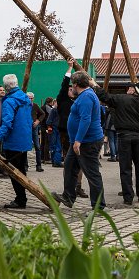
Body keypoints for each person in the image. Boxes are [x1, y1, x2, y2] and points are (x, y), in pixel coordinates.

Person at [51, 71, 105, 210]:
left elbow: (85, 119)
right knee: (69, 167)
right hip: (79, 141)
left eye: (72, 85)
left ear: (75, 85)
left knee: (92, 173)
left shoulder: (86, 97)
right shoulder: (84, 95)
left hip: (87, 142)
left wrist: (78, 140)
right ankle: (68, 197)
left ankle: (98, 206)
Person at [96, 81, 139, 206]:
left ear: (133, 90)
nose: (128, 90)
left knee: (126, 168)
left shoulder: (122, 99)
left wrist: (95, 86)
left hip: (124, 136)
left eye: (130, 88)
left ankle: (128, 197)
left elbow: (105, 97)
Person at [0, 73, 34, 209]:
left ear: (6, 87)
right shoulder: (26, 99)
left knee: (14, 173)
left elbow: (7, 124)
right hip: (25, 140)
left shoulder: (9, 102)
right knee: (22, 170)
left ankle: (20, 199)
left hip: (13, 142)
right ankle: (22, 198)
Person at [29, 92, 45, 171]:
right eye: (29, 98)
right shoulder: (23, 105)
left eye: (31, 98)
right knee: (25, 147)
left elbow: (42, 114)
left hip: (34, 128)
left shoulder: (35, 105)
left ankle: (39, 165)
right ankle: (25, 165)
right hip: (25, 128)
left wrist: (38, 121)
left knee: (37, 147)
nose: (30, 99)